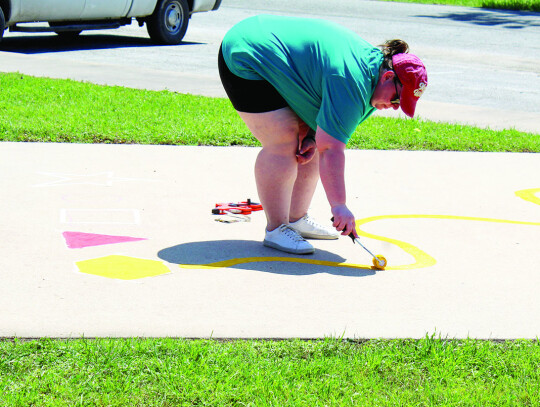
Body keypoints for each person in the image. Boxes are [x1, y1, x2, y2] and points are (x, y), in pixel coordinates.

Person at [218, 14, 428, 255]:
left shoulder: (373, 77)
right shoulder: (352, 79)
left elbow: (323, 126)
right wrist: (339, 206)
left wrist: (310, 135)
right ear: (388, 76)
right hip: (246, 52)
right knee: (285, 140)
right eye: (396, 99)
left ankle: (295, 218)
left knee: (312, 145)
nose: (394, 107)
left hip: (273, 51)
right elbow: (331, 149)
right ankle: (276, 229)